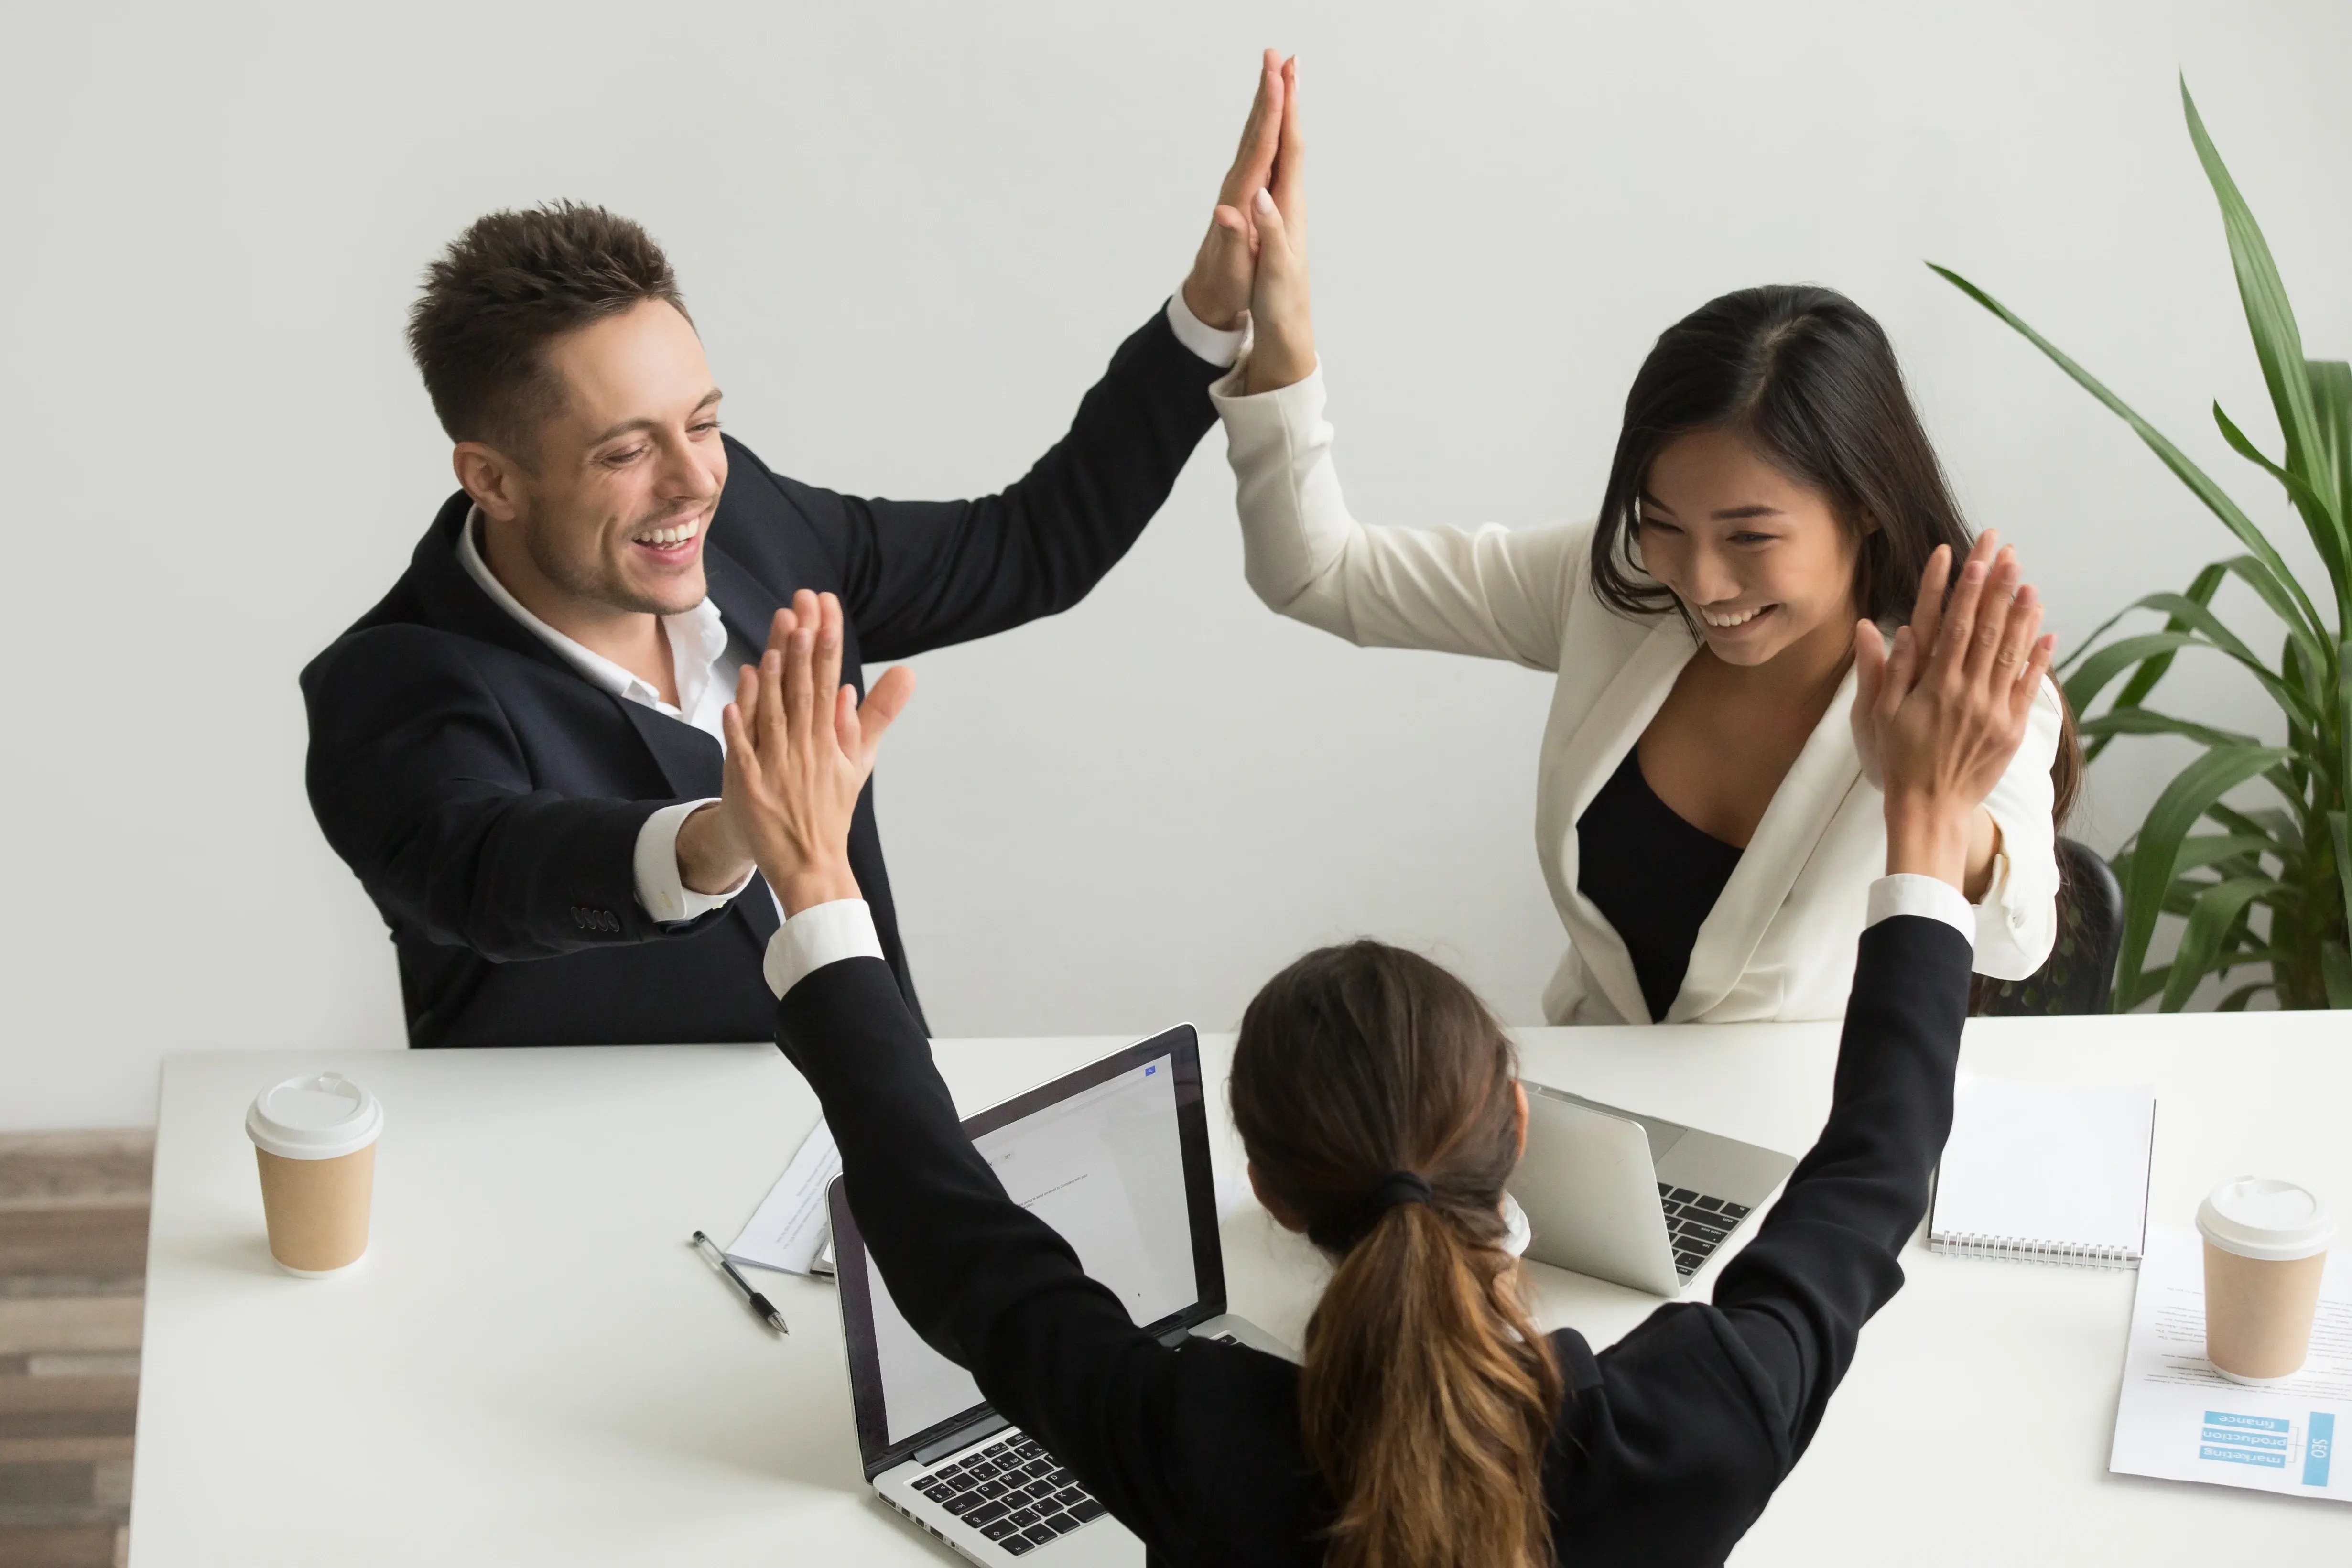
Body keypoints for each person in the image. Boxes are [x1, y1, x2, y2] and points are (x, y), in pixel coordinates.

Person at [721, 522, 2051, 1565]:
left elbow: (953, 1240)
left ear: (1269, 1188)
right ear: (1513, 1130)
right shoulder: (1689, 1422)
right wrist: (1925, 827)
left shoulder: (1197, 1440)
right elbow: (1871, 1173)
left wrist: (819, 881)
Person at [301, 56, 1298, 1049]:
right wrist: (724, 835)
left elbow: (1031, 546)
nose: (694, 480)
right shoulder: (389, 690)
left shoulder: (756, 528)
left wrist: (1208, 319)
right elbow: (492, 871)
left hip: (875, 1157)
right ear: (494, 481)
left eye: (703, 422)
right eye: (627, 450)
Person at [1207, 67, 2080, 1025]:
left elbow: (2016, 938)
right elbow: (1318, 574)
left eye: (1750, 537)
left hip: (1816, 1144)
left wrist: (1926, 794)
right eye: (1662, 523)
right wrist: (1279, 335)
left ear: (1864, 505)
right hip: (1594, 1125)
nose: (1701, 583)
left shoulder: (1958, 684)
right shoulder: (1611, 587)